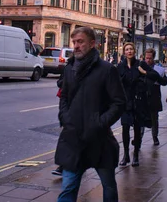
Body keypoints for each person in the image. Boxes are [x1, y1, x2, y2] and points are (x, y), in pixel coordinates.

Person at [55, 27, 126, 202]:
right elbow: (64, 97)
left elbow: (119, 102)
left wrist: (100, 123)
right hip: (73, 138)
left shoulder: (107, 69)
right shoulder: (70, 68)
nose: (76, 46)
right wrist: (65, 117)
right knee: (68, 188)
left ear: (92, 43)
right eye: (74, 42)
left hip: (99, 139)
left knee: (108, 186)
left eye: (80, 42)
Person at [117, 42, 152, 167]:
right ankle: (126, 155)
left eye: (131, 49)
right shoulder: (120, 66)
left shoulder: (140, 64)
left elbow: (156, 77)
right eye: (127, 49)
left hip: (138, 101)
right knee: (125, 129)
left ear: (134, 51)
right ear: (124, 52)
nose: (129, 51)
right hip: (125, 103)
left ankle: (135, 154)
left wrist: (144, 72)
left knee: (137, 129)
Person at [141, 48, 167, 145]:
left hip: (154, 97)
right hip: (142, 97)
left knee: (154, 119)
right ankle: (139, 139)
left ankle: (155, 137)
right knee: (141, 120)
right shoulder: (140, 68)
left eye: (150, 58)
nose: (148, 60)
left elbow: (164, 82)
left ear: (153, 58)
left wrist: (158, 78)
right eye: (146, 58)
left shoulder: (159, 69)